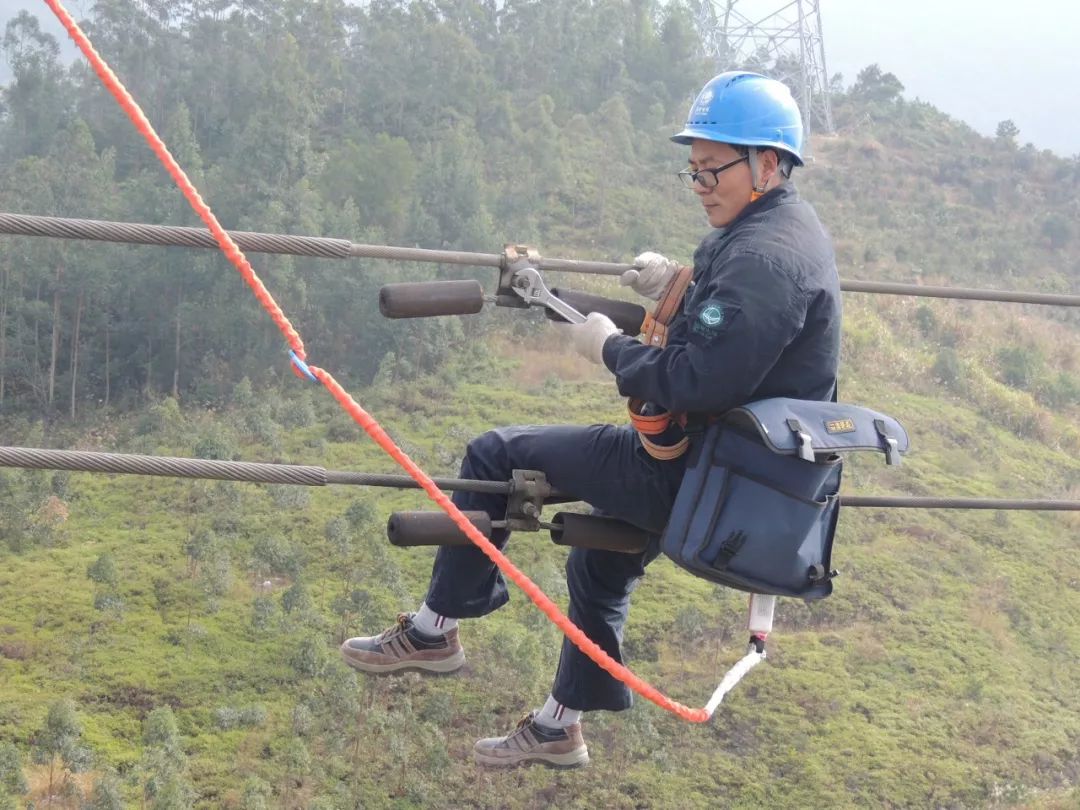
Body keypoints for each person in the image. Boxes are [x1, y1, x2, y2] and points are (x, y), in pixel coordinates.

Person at [340, 71, 842, 768]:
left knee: (491, 455)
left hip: (700, 479)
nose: (699, 184)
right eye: (692, 171)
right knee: (600, 562)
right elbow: (735, 334)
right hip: (739, 478)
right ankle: (557, 727)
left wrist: (609, 347)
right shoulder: (778, 229)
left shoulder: (765, 257)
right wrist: (674, 285)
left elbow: (698, 378)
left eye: (712, 169)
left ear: (767, 162)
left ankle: (434, 632)